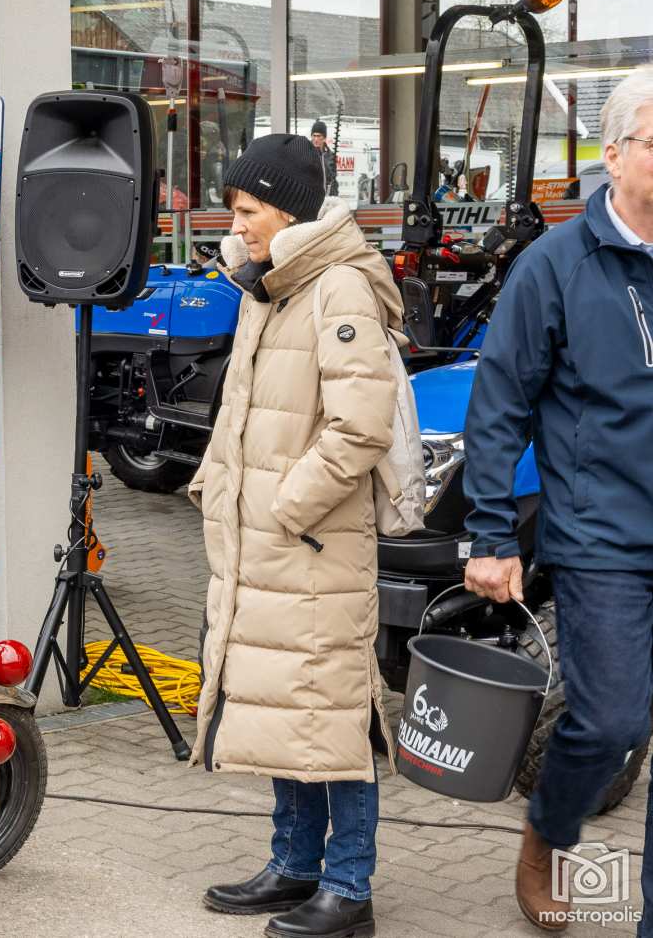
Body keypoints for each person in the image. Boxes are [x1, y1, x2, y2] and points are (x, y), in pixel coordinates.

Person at [190, 134, 400, 938]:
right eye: (234, 210)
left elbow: (360, 427)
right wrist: (216, 488)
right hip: (268, 542)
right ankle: (294, 864)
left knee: (332, 711)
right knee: (285, 702)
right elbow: (242, 410)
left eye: (248, 209)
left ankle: (348, 888)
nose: (236, 225)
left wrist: (286, 507)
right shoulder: (271, 286)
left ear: (288, 211)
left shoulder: (337, 286)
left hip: (312, 544)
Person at [461, 66, 653, 935]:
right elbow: (499, 403)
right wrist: (490, 533)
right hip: (602, 537)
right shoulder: (556, 265)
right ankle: (547, 832)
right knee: (611, 722)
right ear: (612, 155)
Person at [310, 120, 339, 197]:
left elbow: (333, 180)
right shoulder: (305, 152)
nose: (316, 139)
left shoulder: (330, 156)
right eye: (314, 136)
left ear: (324, 138)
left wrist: (334, 196)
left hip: (326, 198)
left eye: (319, 136)